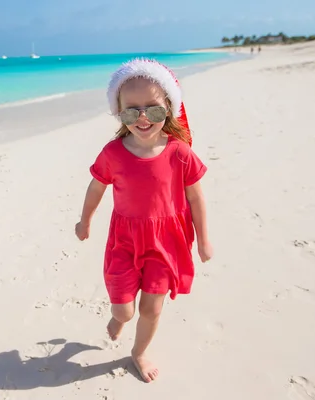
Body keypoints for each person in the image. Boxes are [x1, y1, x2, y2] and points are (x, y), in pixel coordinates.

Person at [74, 58, 213, 382]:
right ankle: (120, 318)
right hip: (125, 239)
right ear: (118, 112)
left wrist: (204, 239)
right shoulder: (113, 153)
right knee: (123, 308)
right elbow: (96, 187)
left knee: (152, 309)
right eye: (131, 110)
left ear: (168, 107)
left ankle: (138, 352)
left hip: (166, 242)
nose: (143, 118)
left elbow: (195, 197)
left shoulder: (180, 152)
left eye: (153, 109)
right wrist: (85, 221)